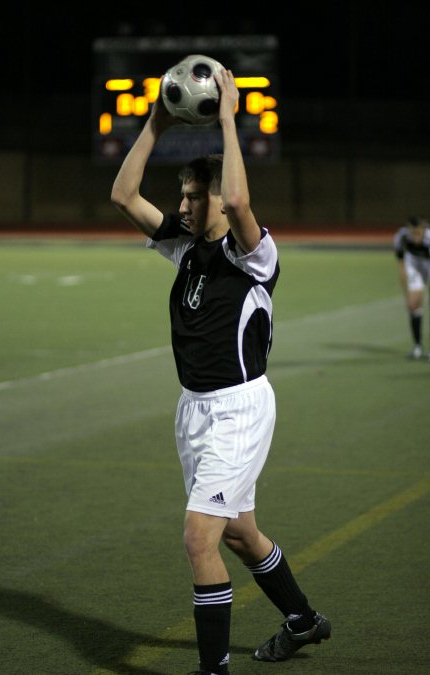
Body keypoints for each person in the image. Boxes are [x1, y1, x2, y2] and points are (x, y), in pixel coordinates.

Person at [111, 67, 331, 675]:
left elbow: (237, 199)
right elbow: (123, 196)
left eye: (190, 197)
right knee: (238, 532)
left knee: (198, 538)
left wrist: (231, 117)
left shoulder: (254, 257)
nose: (181, 205)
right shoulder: (186, 248)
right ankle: (304, 621)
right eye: (181, 196)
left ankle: (213, 671)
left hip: (238, 407)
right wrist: (156, 120)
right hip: (195, 410)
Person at [393, 215, 430, 360]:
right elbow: (401, 265)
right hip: (414, 264)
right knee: (414, 304)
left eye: (418, 233)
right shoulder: (401, 237)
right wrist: (406, 294)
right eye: (412, 233)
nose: (415, 236)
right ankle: (418, 347)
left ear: (423, 230)